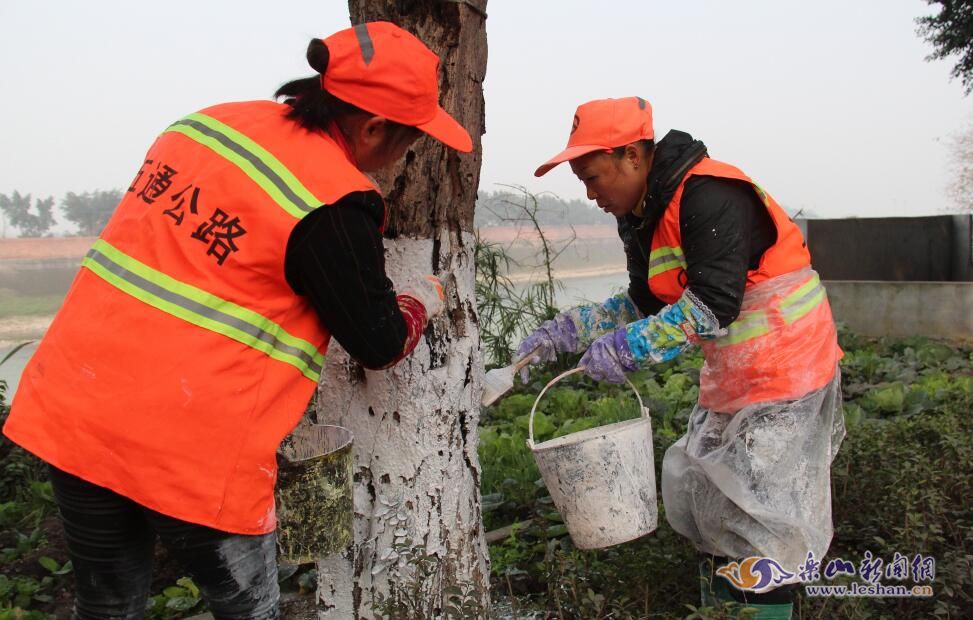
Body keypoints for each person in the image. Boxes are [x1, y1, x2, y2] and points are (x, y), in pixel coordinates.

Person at [2, 22, 471, 619]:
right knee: (246, 609)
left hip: (77, 410)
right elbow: (377, 342)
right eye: (412, 140)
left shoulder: (204, 126)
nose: (408, 155)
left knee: (106, 606)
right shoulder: (331, 201)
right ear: (374, 126)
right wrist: (421, 300)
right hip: (189, 450)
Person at [518, 97, 844, 619]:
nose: (591, 193)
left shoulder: (708, 192)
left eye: (593, 176)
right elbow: (648, 301)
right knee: (710, 503)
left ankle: (758, 611)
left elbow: (713, 303)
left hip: (787, 369)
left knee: (760, 521)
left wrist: (627, 348)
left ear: (631, 156)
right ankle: (722, 609)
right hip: (737, 373)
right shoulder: (643, 213)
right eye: (582, 182)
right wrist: (571, 330)